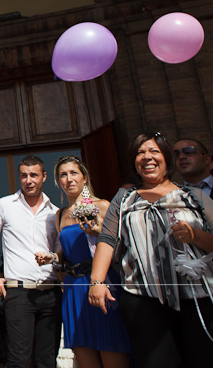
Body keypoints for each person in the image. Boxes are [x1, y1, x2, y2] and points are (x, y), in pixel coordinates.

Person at [89, 133, 213, 368]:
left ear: (167, 159)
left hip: (197, 299)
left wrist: (195, 235)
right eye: (140, 152)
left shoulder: (194, 197)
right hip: (143, 300)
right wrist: (97, 281)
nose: (147, 157)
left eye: (154, 151)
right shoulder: (124, 199)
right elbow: (107, 238)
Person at [35, 156, 130, 368]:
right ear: (58, 182)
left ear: (84, 178)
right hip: (73, 288)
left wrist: (98, 231)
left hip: (101, 282)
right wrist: (52, 257)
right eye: (63, 175)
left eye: (74, 173)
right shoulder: (60, 215)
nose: (69, 179)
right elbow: (64, 250)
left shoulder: (103, 206)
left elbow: (121, 246)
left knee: (110, 347)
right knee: (84, 354)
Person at [0, 155, 62, 368]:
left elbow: (60, 251)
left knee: (47, 360)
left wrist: (54, 259)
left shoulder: (55, 213)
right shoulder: (4, 205)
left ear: (43, 176)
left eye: (34, 175)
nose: (28, 180)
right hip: (18, 293)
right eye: (24, 175)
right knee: (19, 360)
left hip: (51, 292)